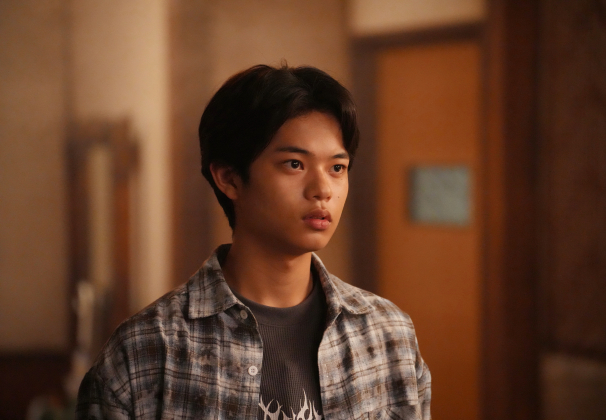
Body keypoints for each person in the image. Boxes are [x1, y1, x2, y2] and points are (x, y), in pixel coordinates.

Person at [76, 64, 431, 419]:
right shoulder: (145, 351)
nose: (323, 190)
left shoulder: (388, 336)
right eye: (294, 164)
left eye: (337, 168)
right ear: (229, 178)